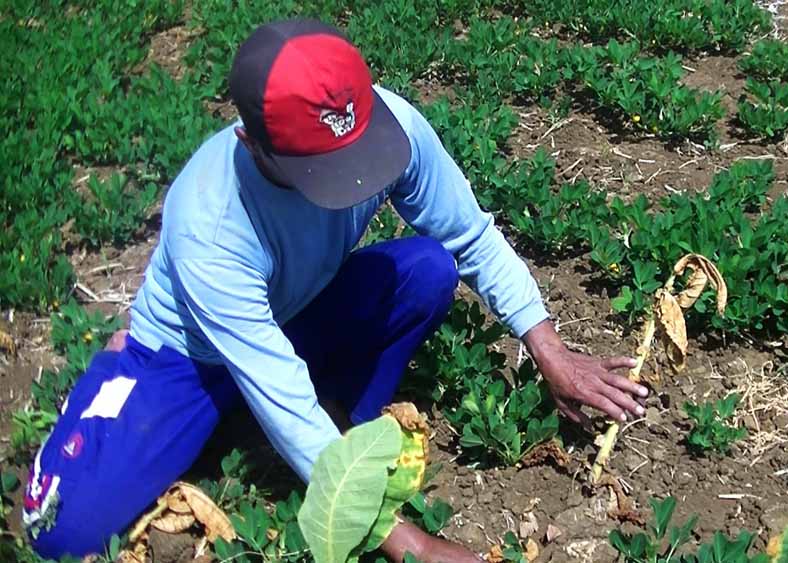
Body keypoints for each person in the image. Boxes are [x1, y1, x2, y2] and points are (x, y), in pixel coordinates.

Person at [23, 18, 648, 562]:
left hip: (294, 314)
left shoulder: (393, 123)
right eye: (320, 172)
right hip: (190, 360)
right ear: (249, 141)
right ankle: (122, 378)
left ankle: (329, 420)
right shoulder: (209, 222)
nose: (351, 181)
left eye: (357, 153)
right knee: (56, 527)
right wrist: (408, 541)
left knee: (429, 269)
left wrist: (549, 348)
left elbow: (469, 235)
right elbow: (277, 383)